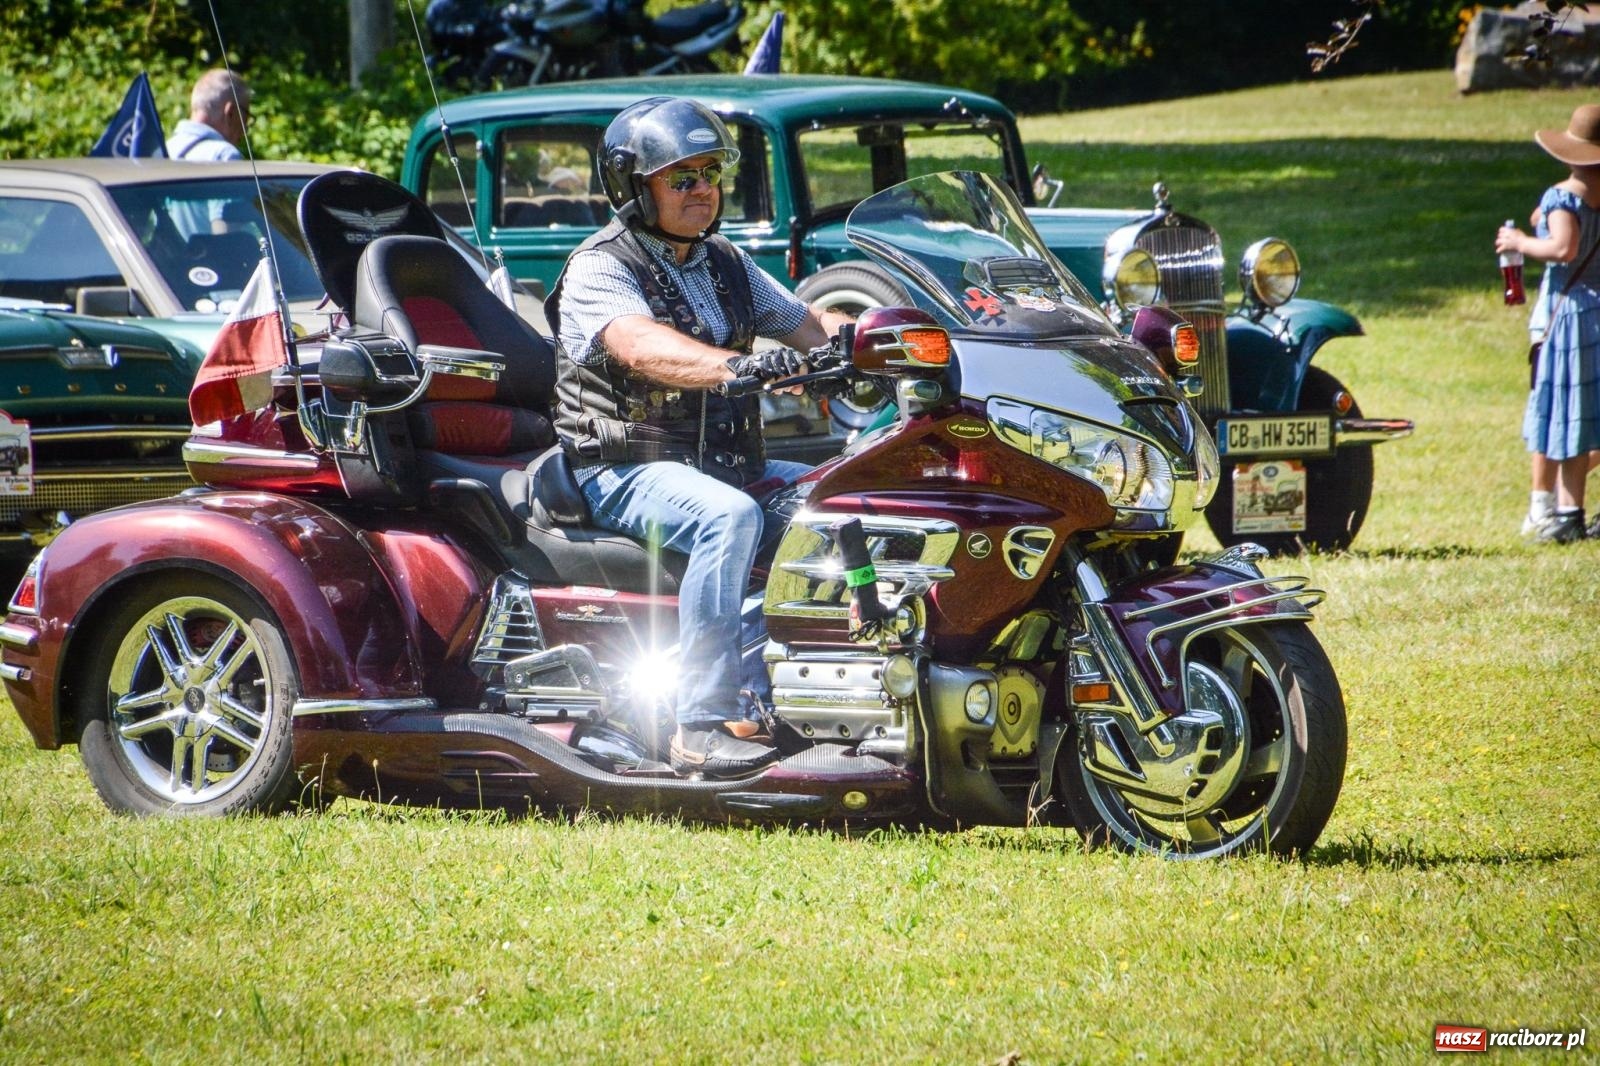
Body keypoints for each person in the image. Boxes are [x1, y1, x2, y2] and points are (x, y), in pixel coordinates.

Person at [546, 97, 852, 777]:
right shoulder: (601, 266)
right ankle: (700, 725)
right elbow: (642, 346)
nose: (704, 190)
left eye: (711, 172)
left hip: (721, 464)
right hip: (625, 468)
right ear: (634, 185)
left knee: (838, 509)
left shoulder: (724, 262)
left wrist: (893, 339)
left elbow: (808, 323)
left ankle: (806, 700)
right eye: (681, 178)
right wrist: (741, 366)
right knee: (729, 519)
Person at [1497, 103, 1600, 543]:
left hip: (1572, 313)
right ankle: (1568, 510)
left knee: (1566, 413)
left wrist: (1520, 240)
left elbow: (1563, 248)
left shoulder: (1564, 196)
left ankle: (1561, 512)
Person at [165, 69, 249, 162]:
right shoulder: (225, 155)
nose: (244, 131)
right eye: (245, 118)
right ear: (230, 113)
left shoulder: (165, 149)